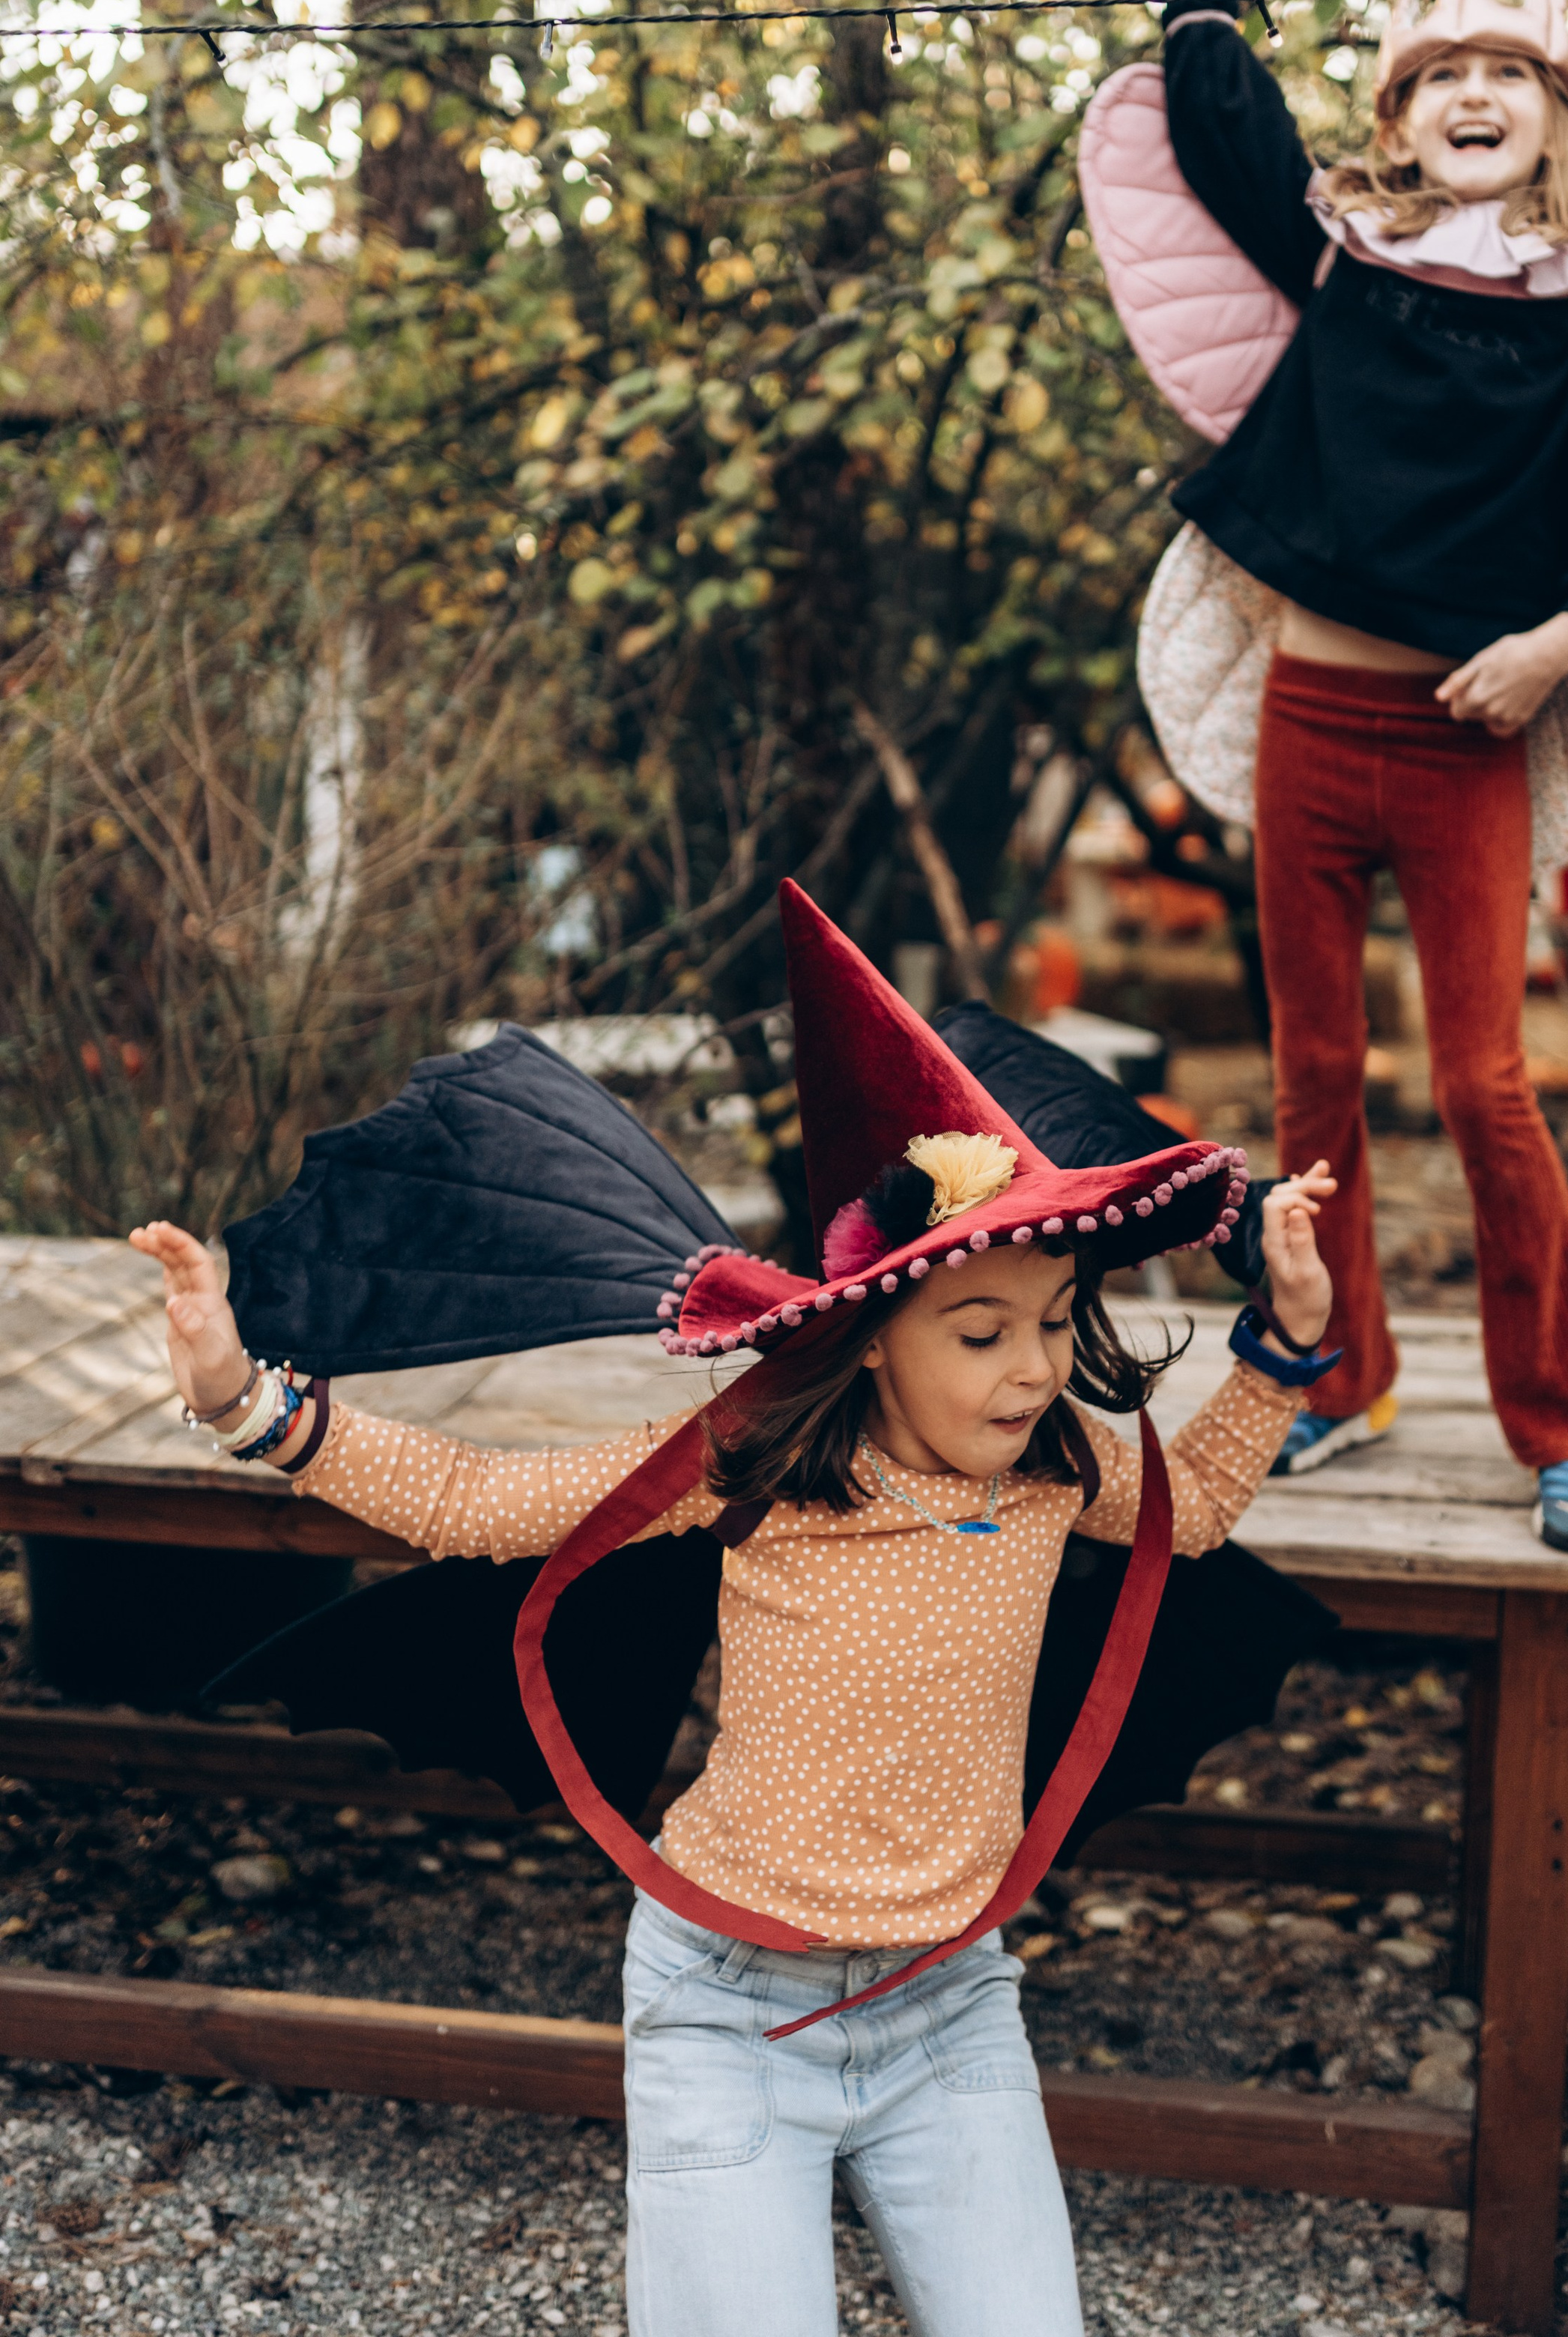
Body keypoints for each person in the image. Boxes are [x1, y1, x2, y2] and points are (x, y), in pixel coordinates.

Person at [130, 882, 1338, 2337]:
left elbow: (1192, 1512)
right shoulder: (754, 1467)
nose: (1030, 1369)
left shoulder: (1058, 1469)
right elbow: (477, 1507)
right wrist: (246, 1404)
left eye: (1051, 1322)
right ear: (875, 1338)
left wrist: (1283, 1349)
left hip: (953, 2004)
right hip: (727, 2010)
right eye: (979, 1331)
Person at [1119, 0, 1568, 1556]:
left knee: (1483, 1089)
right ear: (1399, 116)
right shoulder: (1348, 262)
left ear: (1552, 118)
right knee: (1305, 1092)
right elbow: (1220, 126)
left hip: (1464, 739)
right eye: (1437, 74)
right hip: (1311, 721)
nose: (1468, 95)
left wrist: (1559, 638)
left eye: (1504, 74)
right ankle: (1329, 1378)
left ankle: (1565, 1423)